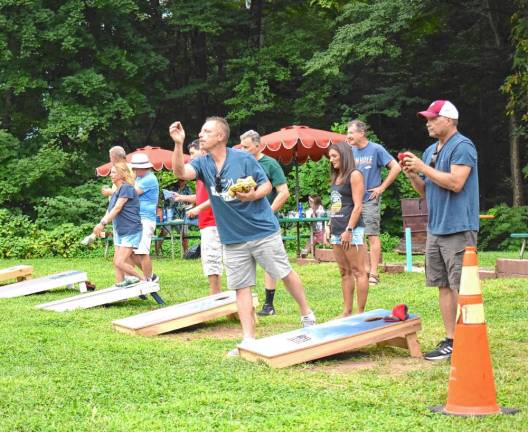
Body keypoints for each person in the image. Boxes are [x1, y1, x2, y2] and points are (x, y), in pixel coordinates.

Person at [170, 116, 316, 356]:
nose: (201, 134)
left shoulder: (243, 158)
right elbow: (181, 172)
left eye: (207, 131)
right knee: (241, 287)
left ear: (220, 136)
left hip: (261, 230)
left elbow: (267, 185)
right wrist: (177, 144)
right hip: (232, 237)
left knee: (284, 273)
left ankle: (307, 314)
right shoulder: (203, 163)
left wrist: (253, 195)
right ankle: (248, 339)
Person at [401, 100, 479, 361]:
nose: (428, 123)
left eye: (433, 118)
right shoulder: (430, 150)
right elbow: (426, 190)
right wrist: (413, 174)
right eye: (427, 119)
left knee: (462, 286)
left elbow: (456, 183)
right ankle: (451, 340)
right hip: (437, 227)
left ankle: (469, 339)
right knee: (443, 285)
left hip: (458, 226)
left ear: (448, 120)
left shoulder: (463, 146)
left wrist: (423, 168)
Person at [239, 129, 290, 317]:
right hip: (242, 222)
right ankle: (246, 303)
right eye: (241, 147)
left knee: (270, 263)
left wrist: (268, 212)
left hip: (263, 224)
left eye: (247, 147)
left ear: (258, 146)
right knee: (244, 263)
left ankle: (269, 305)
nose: (243, 150)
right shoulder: (240, 164)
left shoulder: (270, 164)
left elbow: (283, 192)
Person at [347, 119, 401, 286]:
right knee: (357, 237)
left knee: (372, 235)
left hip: (370, 200)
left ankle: (374, 273)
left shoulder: (376, 149)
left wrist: (382, 188)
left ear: (361, 133)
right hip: (353, 201)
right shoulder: (349, 151)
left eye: (351, 133)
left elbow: (396, 167)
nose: (348, 136)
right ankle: (363, 270)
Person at [326, 142, 369, 316]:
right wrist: (329, 225)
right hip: (336, 229)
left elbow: (358, 206)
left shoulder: (355, 174)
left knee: (358, 271)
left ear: (344, 155)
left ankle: (360, 313)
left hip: (351, 230)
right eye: (330, 156)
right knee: (344, 272)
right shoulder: (336, 177)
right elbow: (335, 204)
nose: (331, 160)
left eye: (334, 156)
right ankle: (346, 311)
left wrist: (349, 230)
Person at [93, 161, 145, 287]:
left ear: (122, 174)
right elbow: (110, 211)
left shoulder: (126, 188)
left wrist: (103, 223)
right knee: (117, 262)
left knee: (120, 262)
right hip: (122, 231)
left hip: (131, 230)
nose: (111, 174)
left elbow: (117, 208)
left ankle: (143, 279)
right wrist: (99, 225)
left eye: (114, 172)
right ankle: (123, 283)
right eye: (111, 172)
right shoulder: (117, 192)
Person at [185, 139, 223, 294]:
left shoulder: (212, 170)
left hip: (213, 222)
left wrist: (197, 209)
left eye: (192, 153)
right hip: (206, 222)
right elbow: (201, 196)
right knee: (211, 260)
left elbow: (218, 195)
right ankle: (216, 295)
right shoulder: (201, 174)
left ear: (203, 151)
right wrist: (182, 198)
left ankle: (216, 297)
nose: (190, 158)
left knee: (212, 260)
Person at [129, 153, 159, 283]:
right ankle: (150, 276)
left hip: (145, 219)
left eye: (135, 168)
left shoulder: (149, 179)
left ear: (143, 168)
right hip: (137, 218)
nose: (133, 171)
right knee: (131, 252)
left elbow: (130, 193)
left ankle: (148, 280)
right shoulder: (140, 178)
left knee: (142, 252)